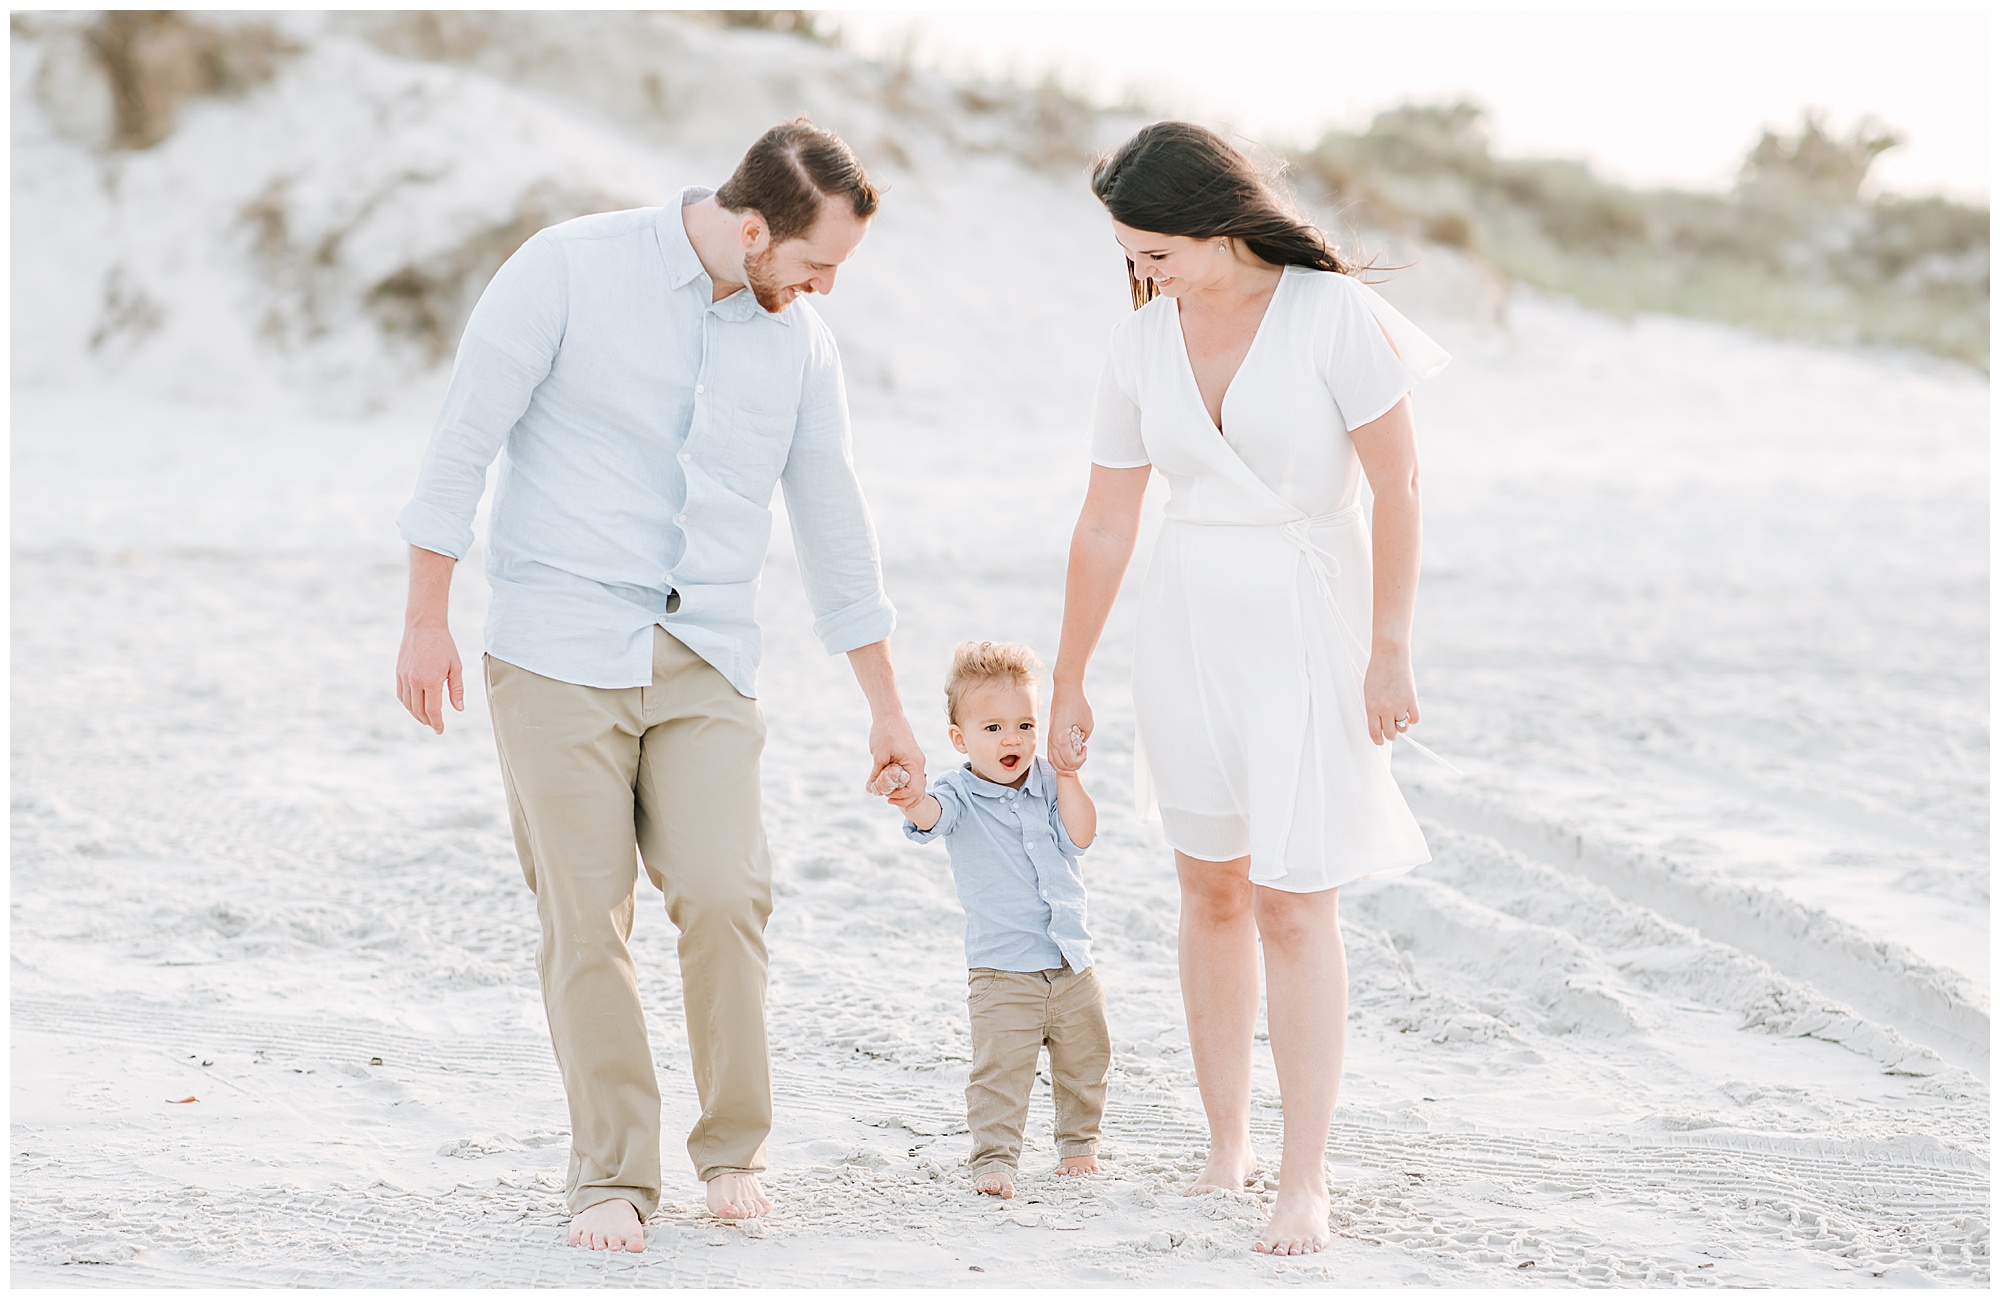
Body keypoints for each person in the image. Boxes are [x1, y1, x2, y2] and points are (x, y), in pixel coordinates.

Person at [392, 118, 927, 1254]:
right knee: (585, 918)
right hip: (554, 646)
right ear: (747, 228)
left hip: (707, 659)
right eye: (815, 262)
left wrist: (883, 701)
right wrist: (424, 617)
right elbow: (462, 441)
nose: (826, 286)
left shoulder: (798, 339)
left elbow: (833, 519)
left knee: (730, 896)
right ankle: (611, 1176)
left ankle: (734, 1149)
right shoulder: (567, 267)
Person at [1047, 121, 1450, 1257]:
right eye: (1128, 256)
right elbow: (1105, 518)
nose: (1139, 273)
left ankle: (1304, 1177)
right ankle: (1226, 1144)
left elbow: (1399, 485)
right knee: (1208, 887)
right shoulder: (1140, 343)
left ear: (1215, 227)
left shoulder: (1331, 316)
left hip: (1304, 612)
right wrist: (1069, 674)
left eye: (1153, 252)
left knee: (1293, 893)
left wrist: (1389, 645)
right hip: (1186, 620)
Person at [875, 641, 1109, 1201]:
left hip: (1071, 960)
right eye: (995, 728)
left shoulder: (1050, 781)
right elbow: (932, 819)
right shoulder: (958, 794)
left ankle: (1079, 1147)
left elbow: (1081, 836)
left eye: (1026, 724)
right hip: (1003, 971)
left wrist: (1071, 775)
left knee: (1087, 1061)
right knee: (1000, 1073)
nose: (1013, 740)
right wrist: (910, 800)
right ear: (961, 739)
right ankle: (995, 1158)